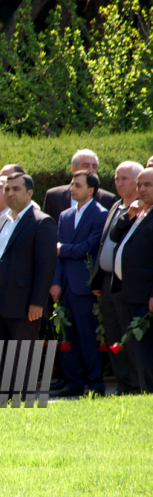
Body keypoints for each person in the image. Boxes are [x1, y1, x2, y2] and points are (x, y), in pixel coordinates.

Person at [0, 173, 57, 395]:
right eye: (7, 189)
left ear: (29, 193)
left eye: (16, 189)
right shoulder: (2, 219)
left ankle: (20, 397)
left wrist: (38, 302)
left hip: (23, 304)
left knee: (21, 354)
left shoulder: (42, 222)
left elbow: (46, 267)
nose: (10, 193)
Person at [49, 172, 108, 397]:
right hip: (65, 287)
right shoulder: (65, 215)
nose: (72, 188)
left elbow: (89, 247)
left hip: (85, 287)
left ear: (91, 190)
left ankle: (95, 383)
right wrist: (56, 283)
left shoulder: (100, 214)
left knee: (88, 337)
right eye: (72, 184)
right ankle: (73, 383)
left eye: (78, 185)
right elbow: (59, 255)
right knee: (67, 337)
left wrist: (62, 249)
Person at [91, 161, 143, 395]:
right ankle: (123, 383)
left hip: (128, 283)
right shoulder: (114, 206)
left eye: (125, 179)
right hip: (107, 282)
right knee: (113, 333)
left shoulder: (142, 211)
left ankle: (136, 383)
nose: (119, 183)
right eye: (116, 178)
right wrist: (98, 279)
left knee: (128, 334)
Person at [109, 167, 153, 392]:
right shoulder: (140, 212)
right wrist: (129, 215)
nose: (141, 189)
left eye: (147, 185)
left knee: (146, 349)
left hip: (145, 297)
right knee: (137, 349)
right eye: (139, 185)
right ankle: (146, 391)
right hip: (129, 293)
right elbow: (115, 235)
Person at [42, 149, 117, 223]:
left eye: (94, 167)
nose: (91, 170)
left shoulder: (108, 199)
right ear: (73, 169)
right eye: (86, 166)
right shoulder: (53, 196)